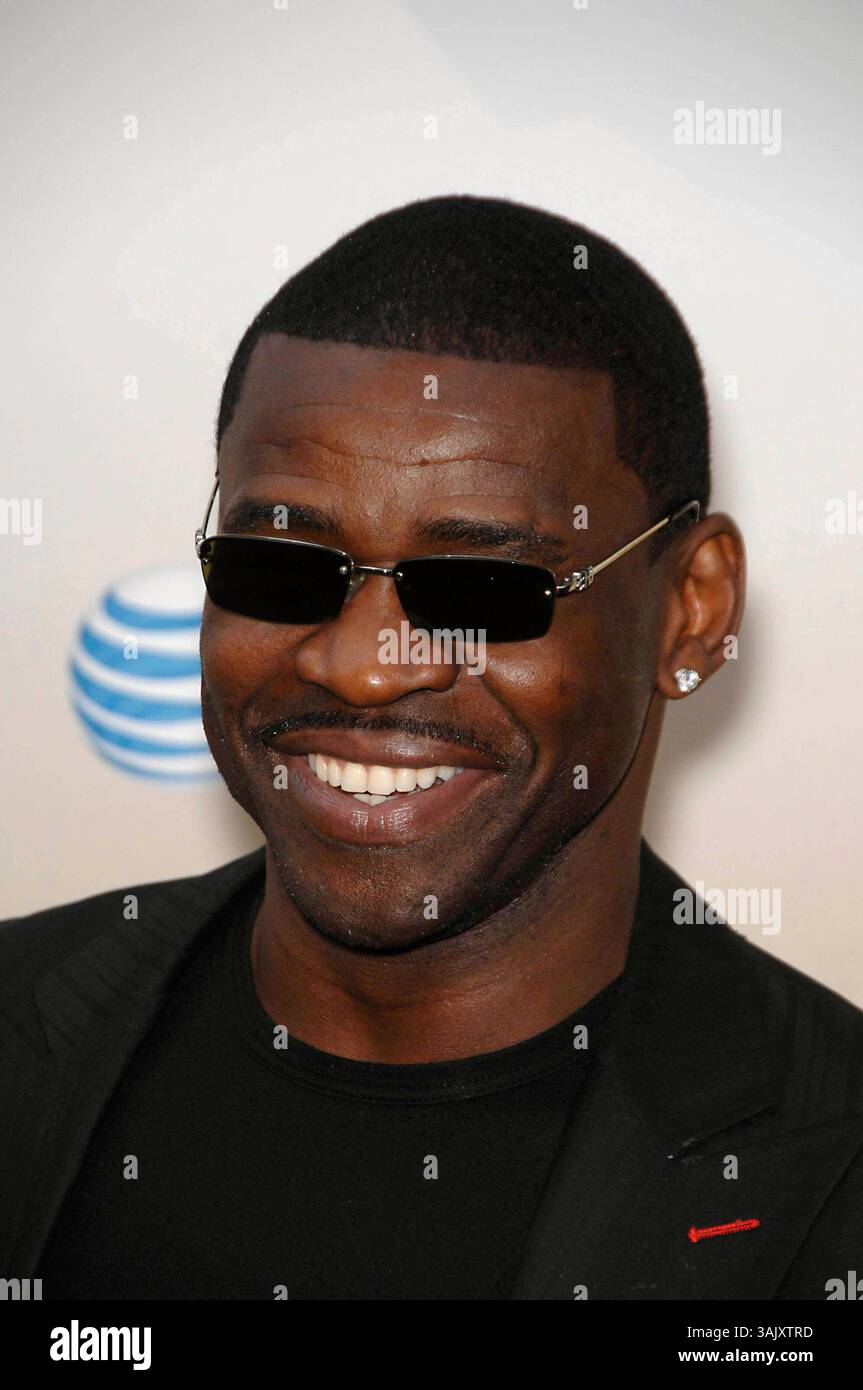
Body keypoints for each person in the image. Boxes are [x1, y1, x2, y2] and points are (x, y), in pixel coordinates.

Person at [2, 195, 861, 1301]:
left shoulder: (830, 1160)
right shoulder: (27, 1015)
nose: (362, 667)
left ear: (690, 612)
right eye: (282, 565)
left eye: (480, 587)